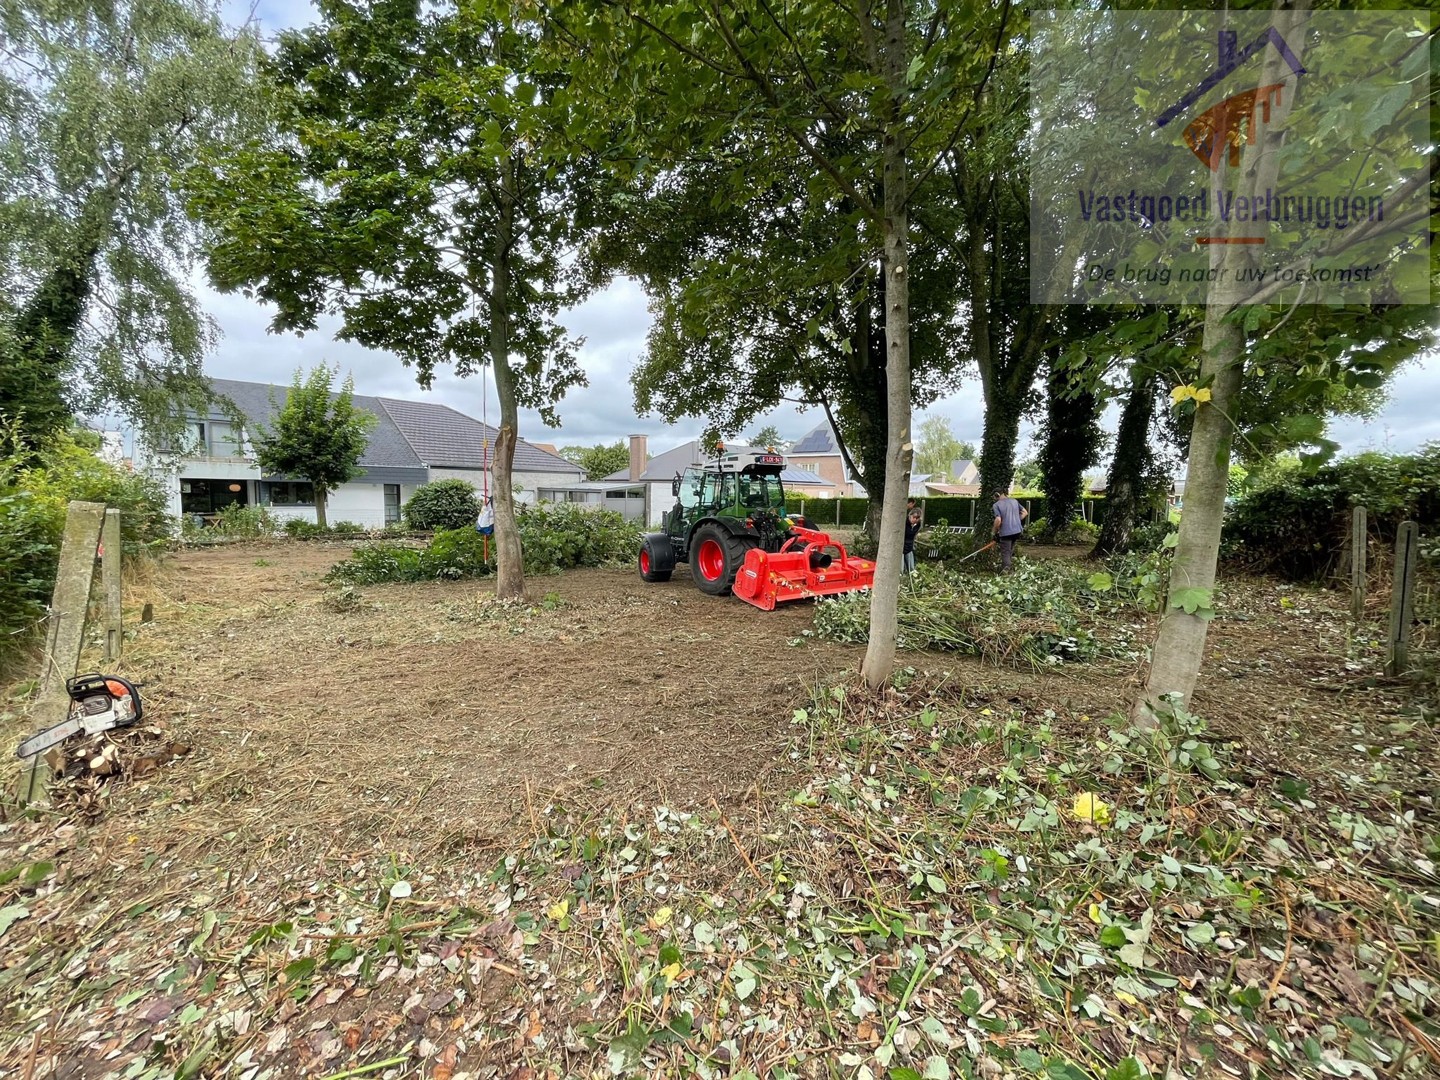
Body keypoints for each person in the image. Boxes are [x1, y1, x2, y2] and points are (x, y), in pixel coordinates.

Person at [991, 488, 1028, 572]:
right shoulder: (1014, 501)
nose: (993, 499)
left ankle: (1006, 572)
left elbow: (998, 520)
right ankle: (1009, 569)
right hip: (1017, 531)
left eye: (994, 496)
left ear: (997, 495)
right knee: (1010, 550)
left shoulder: (996, 505)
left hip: (1006, 533)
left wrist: (994, 532)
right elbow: (1025, 512)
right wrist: (1016, 520)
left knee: (1005, 552)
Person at [903, 508, 922, 574]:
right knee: (900, 569)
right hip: (901, 548)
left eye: (917, 518)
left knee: (912, 569)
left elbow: (914, 535)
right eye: (914, 517)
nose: (915, 520)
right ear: (909, 516)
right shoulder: (904, 522)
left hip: (909, 547)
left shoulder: (918, 524)